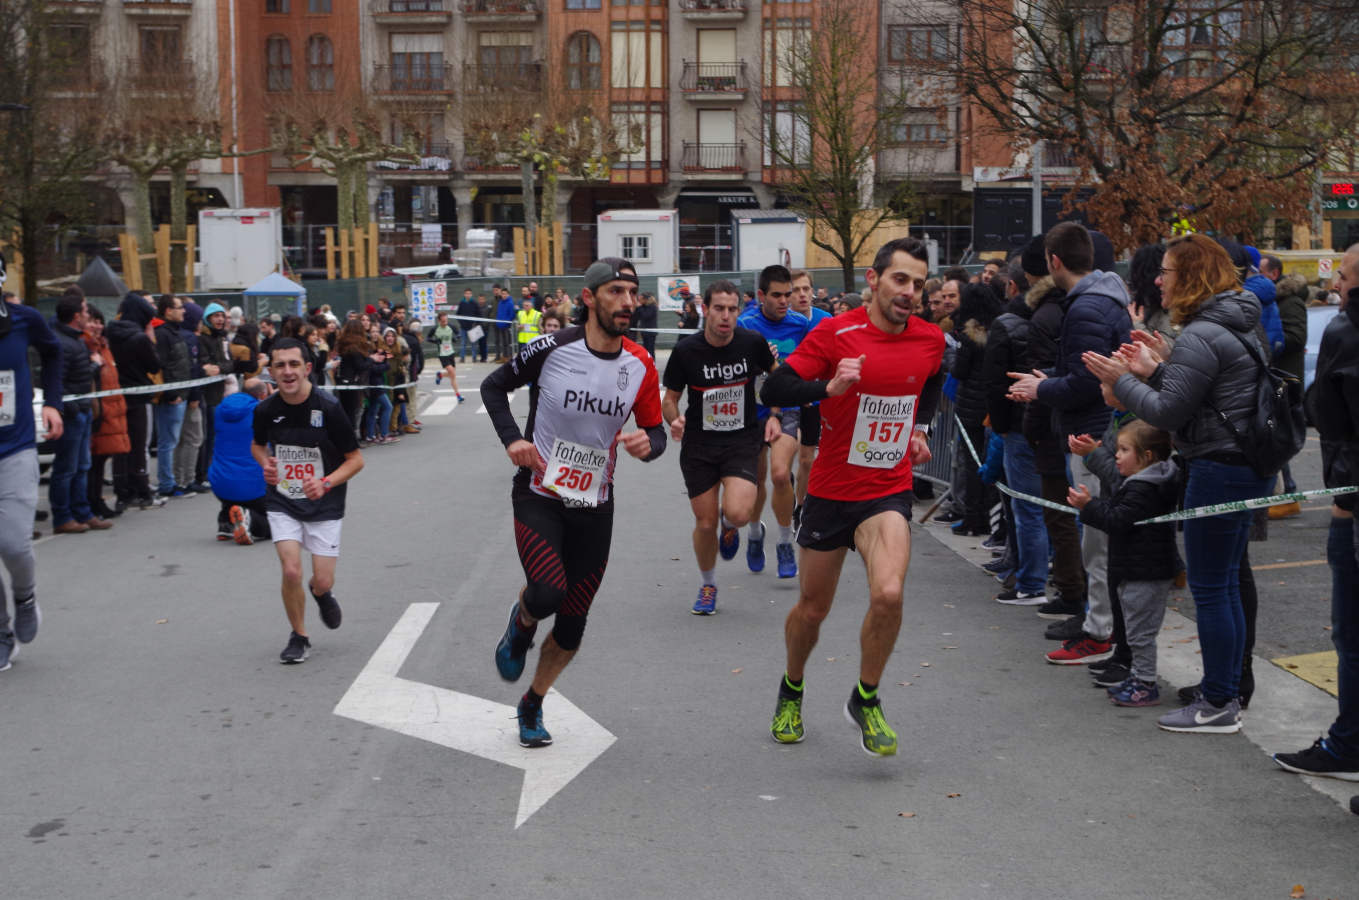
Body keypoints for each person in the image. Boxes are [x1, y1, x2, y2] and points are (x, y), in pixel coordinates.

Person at [759, 236, 944, 757]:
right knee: (813, 611)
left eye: (919, 284)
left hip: (886, 491)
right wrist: (829, 389)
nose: (910, 291)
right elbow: (773, 391)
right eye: (900, 279)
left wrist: (920, 427)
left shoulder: (929, 339)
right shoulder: (834, 333)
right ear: (874, 280)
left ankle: (866, 697)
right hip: (831, 492)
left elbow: (933, 377)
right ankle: (792, 686)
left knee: (888, 593)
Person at [1084, 232, 1272, 734]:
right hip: (1239, 465)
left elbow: (1168, 411)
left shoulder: (1203, 333)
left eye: (1165, 271)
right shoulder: (1235, 323)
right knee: (1226, 585)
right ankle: (1224, 695)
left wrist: (1122, 380)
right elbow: (1202, 392)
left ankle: (1216, 702)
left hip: (1216, 467)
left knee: (1213, 588)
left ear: (1187, 276)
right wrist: (1159, 366)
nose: (1156, 280)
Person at [482, 257, 665, 748]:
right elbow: (493, 387)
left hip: (595, 503)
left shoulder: (640, 363)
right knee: (545, 592)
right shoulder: (551, 348)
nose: (628, 302)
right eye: (616, 292)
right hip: (540, 493)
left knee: (574, 618)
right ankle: (520, 625)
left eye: (633, 292)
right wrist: (512, 441)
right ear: (588, 298)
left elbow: (655, 430)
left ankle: (533, 702)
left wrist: (651, 444)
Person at [1009, 224, 1131, 665]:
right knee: (1098, 541)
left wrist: (1040, 390)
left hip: (1090, 436)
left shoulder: (1085, 308)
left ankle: (1101, 634)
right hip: (1097, 430)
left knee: (1097, 544)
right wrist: (1049, 382)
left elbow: (1085, 383)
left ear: (1053, 261)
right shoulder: (1104, 301)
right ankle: (1106, 631)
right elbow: (1087, 374)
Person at [1273, 243, 1359, 778]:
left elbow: (1322, 410)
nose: (1340, 286)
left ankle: (1348, 744)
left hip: (1352, 502)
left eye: (1345, 276)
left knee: (1350, 637)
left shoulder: (1346, 330)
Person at [662, 280, 778, 614]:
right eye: (718, 309)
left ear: (738, 311)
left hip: (741, 439)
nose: (726, 316)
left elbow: (775, 377)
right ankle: (708, 584)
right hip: (699, 444)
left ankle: (732, 526)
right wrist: (675, 420)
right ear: (706, 309)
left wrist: (774, 414)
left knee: (738, 513)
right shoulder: (686, 351)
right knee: (705, 524)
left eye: (731, 309)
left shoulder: (752, 342)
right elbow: (669, 400)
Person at [252, 339, 364, 664]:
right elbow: (257, 446)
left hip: (324, 503)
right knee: (290, 570)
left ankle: (321, 591)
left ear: (307, 368)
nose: (287, 372)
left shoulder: (328, 408)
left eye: (293, 364)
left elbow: (355, 460)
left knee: (322, 578)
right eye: (280, 365)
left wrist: (325, 482)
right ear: (271, 371)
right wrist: (266, 463)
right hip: (283, 499)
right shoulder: (265, 410)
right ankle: (299, 636)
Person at [1067, 420, 1180, 707]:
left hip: (1145, 570)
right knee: (1134, 629)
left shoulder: (1143, 487)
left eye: (1124, 450)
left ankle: (1145, 683)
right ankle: (1138, 677)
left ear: (1147, 456)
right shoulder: (1141, 483)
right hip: (1137, 567)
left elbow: (1118, 520)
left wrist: (1088, 506)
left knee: (1140, 634)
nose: (1116, 455)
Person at [0, 254, 64, 671]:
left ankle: (25, 596)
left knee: (11, 543)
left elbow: (54, 353)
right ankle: (2, 632)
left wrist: (52, 404)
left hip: (14, 447)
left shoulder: (23, 319)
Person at [738, 264, 811, 579]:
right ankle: (755, 533)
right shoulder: (745, 324)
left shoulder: (800, 324)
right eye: (777, 295)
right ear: (760, 296)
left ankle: (784, 543)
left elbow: (811, 364)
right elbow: (735, 371)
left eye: (788, 294)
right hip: (752, 410)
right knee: (756, 480)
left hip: (789, 410)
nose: (785, 301)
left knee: (781, 475)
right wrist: (758, 363)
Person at [47, 292, 111, 535]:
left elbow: (79, 374)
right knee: (66, 468)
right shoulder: (62, 343)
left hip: (82, 410)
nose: (88, 316)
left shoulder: (76, 340)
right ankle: (63, 516)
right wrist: (73, 409)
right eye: (85, 312)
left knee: (82, 465)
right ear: (76, 316)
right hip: (73, 413)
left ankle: (83, 513)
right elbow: (58, 382)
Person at [107, 292, 163, 510]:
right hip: (138, 396)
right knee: (139, 444)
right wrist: (151, 339)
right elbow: (154, 365)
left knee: (120, 444)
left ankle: (122, 490)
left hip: (115, 395)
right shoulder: (140, 338)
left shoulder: (110, 332)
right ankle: (141, 488)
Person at [789, 270, 833, 524]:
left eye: (806, 289)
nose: (803, 294)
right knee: (786, 456)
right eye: (796, 290)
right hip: (787, 400)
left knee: (807, 460)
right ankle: (785, 478)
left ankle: (800, 506)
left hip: (814, 400)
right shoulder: (783, 321)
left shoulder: (825, 320)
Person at [211, 377, 273, 545]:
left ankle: (225, 523)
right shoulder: (262, 410)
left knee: (230, 472)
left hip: (220, 482)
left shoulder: (220, 409)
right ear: (262, 394)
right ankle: (250, 520)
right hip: (254, 485)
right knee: (277, 524)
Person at [82, 306, 129, 521]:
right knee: (92, 461)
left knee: (100, 460)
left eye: (100, 321)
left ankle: (95, 500)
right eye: (92, 321)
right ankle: (90, 502)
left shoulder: (104, 347)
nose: (98, 326)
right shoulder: (86, 348)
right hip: (96, 412)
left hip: (109, 412)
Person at [152, 294, 191, 499]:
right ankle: (166, 483)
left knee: (173, 441)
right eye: (179, 307)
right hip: (172, 397)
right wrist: (171, 392)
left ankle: (171, 480)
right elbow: (164, 365)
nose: (183, 311)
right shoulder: (163, 334)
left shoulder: (175, 332)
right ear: (168, 311)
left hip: (181, 394)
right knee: (167, 442)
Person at [429, 312, 464, 401]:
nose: (445, 323)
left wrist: (455, 338)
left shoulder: (451, 326)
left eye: (446, 321)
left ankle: (440, 375)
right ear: (439, 321)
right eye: (443, 321)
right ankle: (458, 395)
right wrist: (435, 341)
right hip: (442, 354)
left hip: (451, 353)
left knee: (452, 374)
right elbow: (428, 338)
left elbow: (459, 334)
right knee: (452, 373)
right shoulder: (435, 329)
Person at [456, 288, 479, 362]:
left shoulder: (474, 303)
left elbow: (478, 314)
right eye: (466, 293)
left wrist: (475, 323)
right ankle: (462, 358)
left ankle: (474, 357)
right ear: (464, 294)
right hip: (463, 327)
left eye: (469, 293)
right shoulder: (461, 303)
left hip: (472, 327)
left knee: (473, 343)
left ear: (471, 294)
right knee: (463, 343)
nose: (468, 295)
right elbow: (457, 314)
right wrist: (461, 323)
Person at [494, 286, 516, 362]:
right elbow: (499, 313)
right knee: (503, 342)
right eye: (502, 294)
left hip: (506, 326)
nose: (504, 295)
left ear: (508, 294)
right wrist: (498, 322)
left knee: (507, 342)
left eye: (505, 294)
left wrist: (507, 322)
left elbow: (512, 315)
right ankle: (504, 356)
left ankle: (509, 357)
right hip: (500, 325)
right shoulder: (500, 302)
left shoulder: (510, 303)